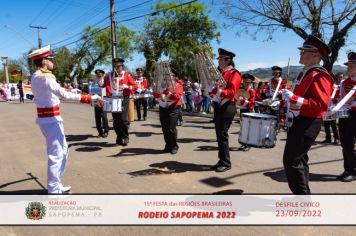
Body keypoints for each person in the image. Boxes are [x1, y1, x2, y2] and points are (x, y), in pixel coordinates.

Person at [28, 45, 100, 194]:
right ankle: (53, 189)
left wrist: (71, 89)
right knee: (56, 154)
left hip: (48, 118)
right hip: (50, 119)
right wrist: (89, 98)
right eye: (50, 59)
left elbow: (54, 91)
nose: (52, 62)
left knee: (63, 150)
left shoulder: (36, 76)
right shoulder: (46, 77)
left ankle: (56, 183)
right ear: (43, 62)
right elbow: (63, 95)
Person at [281, 35, 334, 194]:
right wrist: (285, 101)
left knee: (291, 161)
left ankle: (302, 200)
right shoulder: (304, 73)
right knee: (300, 160)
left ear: (316, 55)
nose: (301, 53)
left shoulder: (320, 75)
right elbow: (300, 100)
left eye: (305, 51)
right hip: (300, 120)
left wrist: (295, 99)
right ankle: (304, 196)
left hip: (309, 122)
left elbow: (320, 105)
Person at [210, 48, 242, 172]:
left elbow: (232, 92)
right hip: (219, 105)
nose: (219, 61)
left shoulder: (235, 73)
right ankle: (221, 160)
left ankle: (226, 162)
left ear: (228, 60)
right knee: (219, 134)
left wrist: (218, 91)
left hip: (228, 105)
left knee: (222, 134)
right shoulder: (221, 73)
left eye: (221, 59)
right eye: (219, 59)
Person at [102, 58, 137, 146]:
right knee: (116, 120)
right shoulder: (109, 76)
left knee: (123, 119)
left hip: (124, 98)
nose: (117, 68)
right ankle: (119, 136)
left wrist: (128, 87)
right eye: (116, 66)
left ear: (122, 66)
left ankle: (125, 136)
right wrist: (102, 97)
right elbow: (103, 86)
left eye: (119, 66)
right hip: (113, 98)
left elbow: (135, 86)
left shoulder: (127, 75)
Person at [153, 67, 183, 155]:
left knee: (171, 128)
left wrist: (168, 93)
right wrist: (157, 93)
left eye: (170, 75)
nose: (168, 77)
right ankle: (168, 146)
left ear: (174, 76)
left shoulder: (178, 85)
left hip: (174, 108)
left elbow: (177, 96)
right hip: (163, 107)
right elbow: (156, 93)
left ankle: (174, 146)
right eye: (167, 75)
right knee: (164, 128)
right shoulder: (162, 85)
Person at [336, 52, 356, 182]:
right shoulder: (344, 82)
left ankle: (353, 171)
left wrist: (352, 103)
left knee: (351, 143)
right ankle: (348, 169)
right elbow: (339, 97)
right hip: (345, 115)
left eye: (351, 65)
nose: (348, 67)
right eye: (348, 64)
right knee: (345, 143)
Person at [320, 72, 342, 144]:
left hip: (334, 105)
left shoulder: (341, 85)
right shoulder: (332, 84)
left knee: (333, 122)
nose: (340, 78)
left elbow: (340, 95)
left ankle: (336, 138)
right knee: (326, 122)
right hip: (327, 104)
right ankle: (328, 138)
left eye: (341, 77)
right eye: (339, 77)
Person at [91, 69, 109, 138]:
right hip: (96, 99)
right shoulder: (94, 82)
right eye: (97, 74)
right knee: (97, 117)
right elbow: (92, 90)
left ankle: (106, 131)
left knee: (104, 116)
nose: (98, 75)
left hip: (104, 99)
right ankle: (100, 132)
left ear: (103, 74)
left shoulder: (105, 80)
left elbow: (108, 89)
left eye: (100, 73)